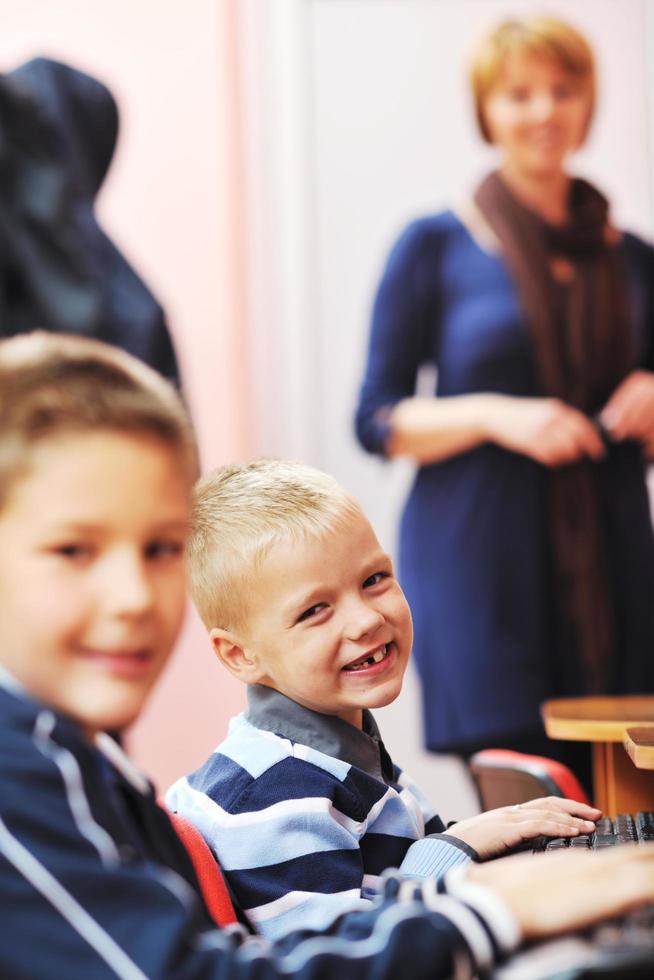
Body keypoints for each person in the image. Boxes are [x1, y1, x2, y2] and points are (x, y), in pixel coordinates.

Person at [1, 333, 654, 980]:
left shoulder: (83, 765)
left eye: (160, 548)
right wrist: (488, 904)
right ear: (238, 653)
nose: (134, 597)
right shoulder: (32, 778)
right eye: (72, 551)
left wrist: (477, 864)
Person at [354, 15, 654, 786]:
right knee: (524, 808)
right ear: (487, 108)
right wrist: (498, 414)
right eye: (519, 94)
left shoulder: (637, 260)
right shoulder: (435, 244)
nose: (544, 111)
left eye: (563, 90)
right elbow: (379, 418)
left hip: (616, 568)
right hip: (482, 564)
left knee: (629, 809)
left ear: (589, 102)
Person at [167, 458, 600, 939]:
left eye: (374, 580)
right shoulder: (272, 795)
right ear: (240, 655)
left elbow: (395, 872)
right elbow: (345, 960)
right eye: (315, 610)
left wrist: (483, 848)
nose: (366, 620)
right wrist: (455, 845)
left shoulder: (336, 750)